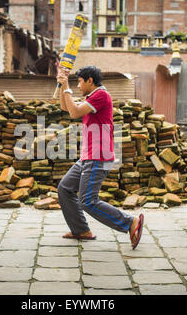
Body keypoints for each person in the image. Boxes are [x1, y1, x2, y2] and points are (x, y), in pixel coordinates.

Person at [56, 65, 144, 250]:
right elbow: (67, 107)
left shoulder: (101, 95)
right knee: (65, 188)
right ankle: (80, 230)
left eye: (80, 81)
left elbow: (74, 112)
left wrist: (66, 85)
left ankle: (130, 222)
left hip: (98, 157)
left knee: (88, 200)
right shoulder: (92, 97)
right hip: (88, 156)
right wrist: (64, 84)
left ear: (90, 80)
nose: (78, 86)